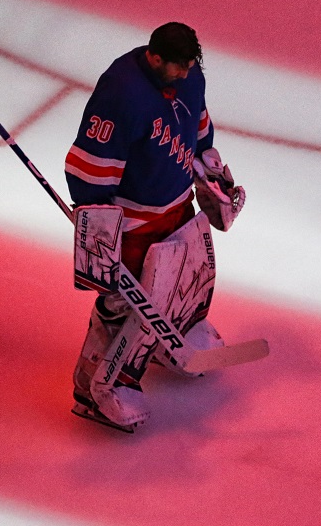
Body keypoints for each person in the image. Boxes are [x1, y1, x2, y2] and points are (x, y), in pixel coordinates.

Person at [63, 22, 244, 431]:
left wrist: (208, 170)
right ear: (155, 56)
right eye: (177, 67)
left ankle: (169, 342)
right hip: (134, 219)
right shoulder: (121, 91)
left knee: (189, 277)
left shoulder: (190, 75)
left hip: (177, 202)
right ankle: (95, 387)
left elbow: (198, 129)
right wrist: (98, 230)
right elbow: (90, 164)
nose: (185, 75)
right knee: (124, 303)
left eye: (190, 66)